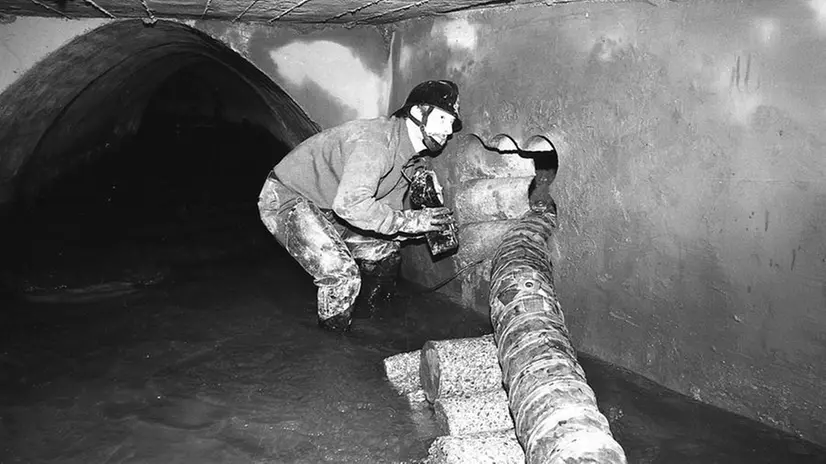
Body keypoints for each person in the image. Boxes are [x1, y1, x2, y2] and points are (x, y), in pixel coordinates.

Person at [257, 80, 462, 332]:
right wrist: (412, 221)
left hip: (330, 209)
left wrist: (418, 228)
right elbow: (351, 205)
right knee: (342, 275)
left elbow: (385, 216)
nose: (448, 130)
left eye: (452, 123)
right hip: (288, 198)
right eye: (442, 118)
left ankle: (372, 321)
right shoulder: (375, 142)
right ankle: (334, 348)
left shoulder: (409, 161)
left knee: (386, 252)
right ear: (418, 112)